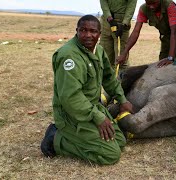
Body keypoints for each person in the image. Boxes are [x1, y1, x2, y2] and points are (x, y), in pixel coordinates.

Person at [40, 15, 133, 165]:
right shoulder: (69, 56)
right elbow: (71, 97)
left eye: (93, 31)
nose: (88, 35)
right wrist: (98, 117)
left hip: (91, 107)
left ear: (99, 34)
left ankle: (75, 136)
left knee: (120, 141)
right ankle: (57, 139)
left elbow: (109, 78)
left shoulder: (99, 51)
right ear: (76, 31)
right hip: (71, 114)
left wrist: (122, 99)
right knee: (111, 154)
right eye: (83, 30)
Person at [116, 0, 176, 68]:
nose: (151, 7)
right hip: (166, 39)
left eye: (154, 3)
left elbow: (174, 31)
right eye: (148, 4)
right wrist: (124, 53)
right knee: (162, 65)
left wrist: (171, 57)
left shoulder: (169, 5)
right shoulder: (143, 9)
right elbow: (136, 32)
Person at [99, 0, 137, 70]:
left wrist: (124, 24)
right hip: (106, 22)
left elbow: (131, 6)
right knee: (104, 58)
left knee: (121, 60)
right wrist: (109, 18)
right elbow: (103, 1)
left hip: (121, 24)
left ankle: (123, 79)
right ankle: (107, 79)